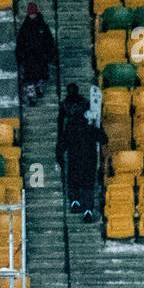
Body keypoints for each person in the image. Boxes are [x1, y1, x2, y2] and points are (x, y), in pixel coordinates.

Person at [56, 83, 107, 222]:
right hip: (89, 160)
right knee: (88, 186)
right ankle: (88, 210)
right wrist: (97, 124)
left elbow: (62, 145)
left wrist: (59, 158)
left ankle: (75, 201)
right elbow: (103, 139)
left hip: (74, 160)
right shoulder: (90, 128)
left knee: (73, 181)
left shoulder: (70, 128)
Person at [15, 1, 57, 105]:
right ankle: (31, 97)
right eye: (31, 14)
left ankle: (39, 88)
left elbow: (49, 41)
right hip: (29, 57)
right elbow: (20, 43)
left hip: (41, 56)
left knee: (41, 75)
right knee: (30, 78)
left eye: (33, 13)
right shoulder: (25, 27)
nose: (32, 15)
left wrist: (51, 54)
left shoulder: (43, 26)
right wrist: (20, 56)